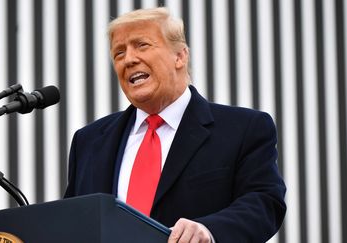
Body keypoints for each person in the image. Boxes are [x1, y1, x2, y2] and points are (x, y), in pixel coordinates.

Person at [64, 7, 286, 243]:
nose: (128, 59)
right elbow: (70, 221)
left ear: (180, 56)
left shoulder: (244, 129)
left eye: (142, 45)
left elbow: (264, 201)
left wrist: (209, 230)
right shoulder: (87, 142)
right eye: (119, 53)